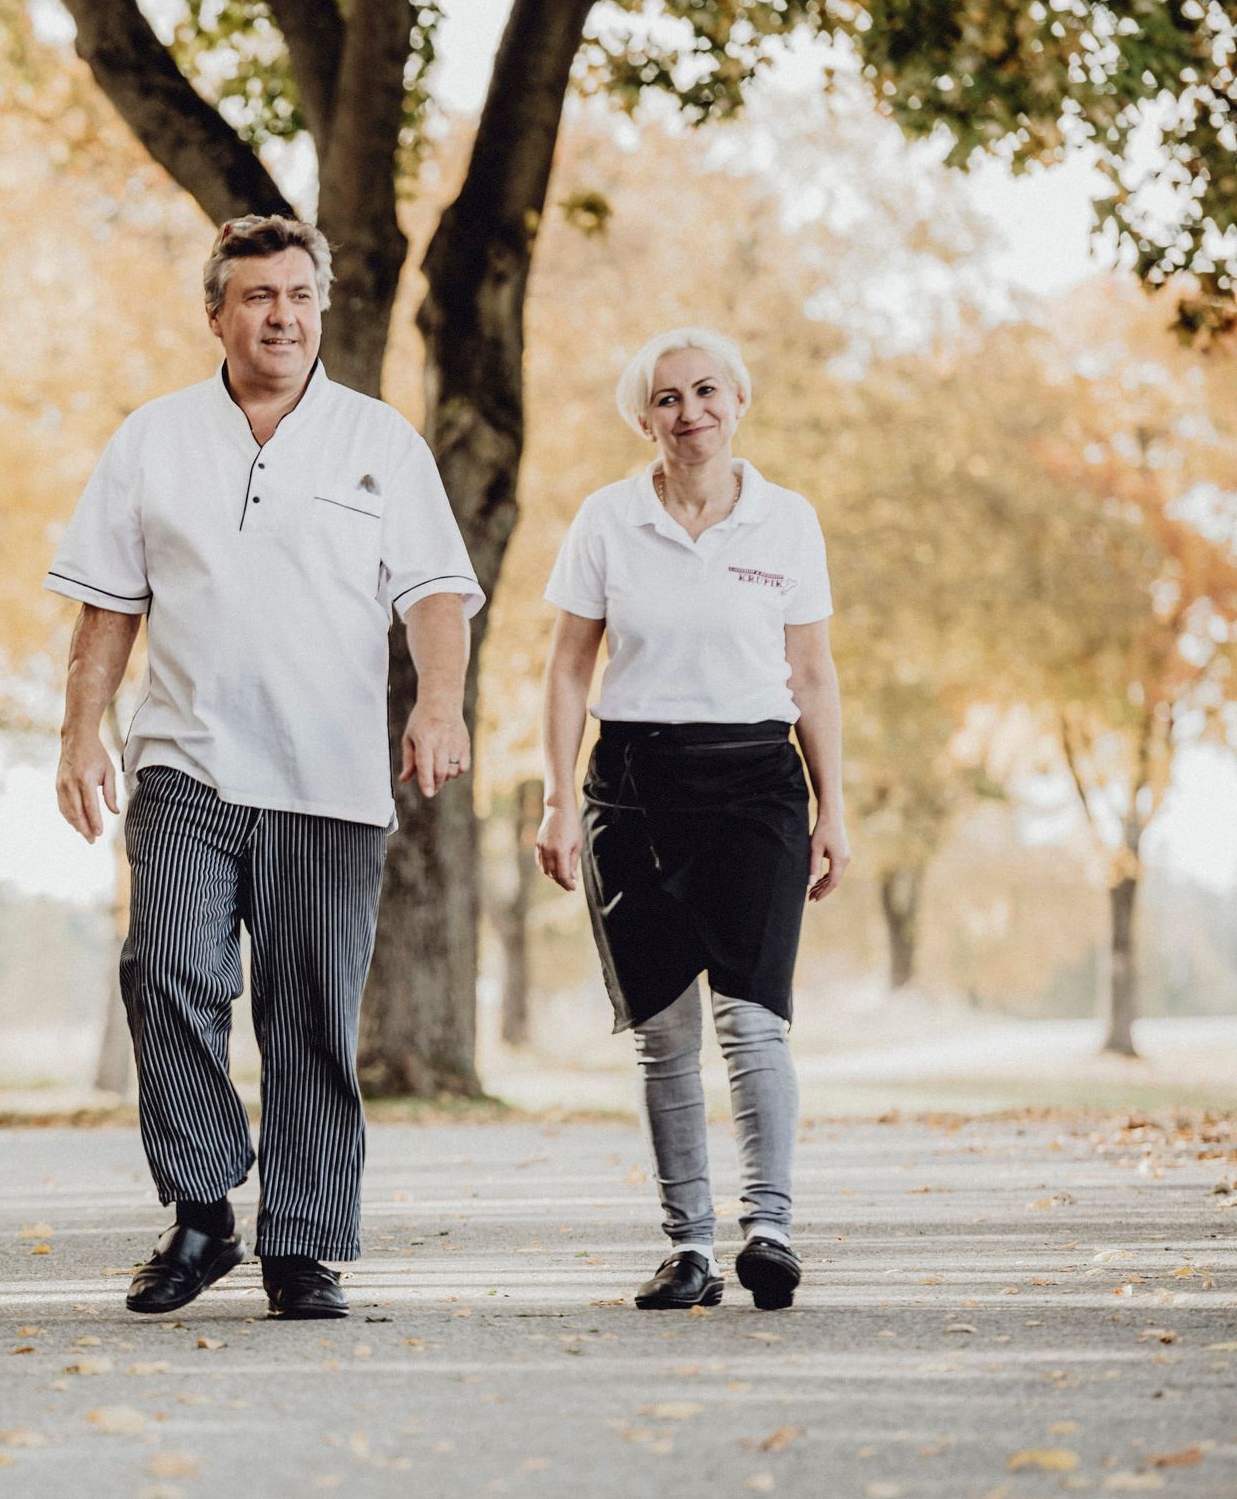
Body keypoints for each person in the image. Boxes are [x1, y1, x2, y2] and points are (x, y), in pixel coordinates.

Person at [49, 216, 482, 1322]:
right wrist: (78, 731)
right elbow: (109, 602)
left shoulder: (380, 440)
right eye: (255, 296)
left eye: (297, 294)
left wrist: (439, 702)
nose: (279, 314)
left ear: (321, 308)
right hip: (187, 763)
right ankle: (202, 1209)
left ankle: (304, 1243)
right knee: (167, 972)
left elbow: (435, 589)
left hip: (330, 779)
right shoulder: (152, 439)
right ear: (216, 313)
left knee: (312, 1013)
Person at [533, 326, 847, 1314]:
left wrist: (833, 804)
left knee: (754, 1022)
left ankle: (771, 1230)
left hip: (757, 783)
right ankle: (688, 1248)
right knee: (663, 1033)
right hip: (633, 786)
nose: (690, 411)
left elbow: (811, 673)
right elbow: (568, 668)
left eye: (707, 391)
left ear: (738, 401)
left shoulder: (788, 522)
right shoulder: (605, 520)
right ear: (643, 418)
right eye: (667, 398)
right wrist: (553, 797)